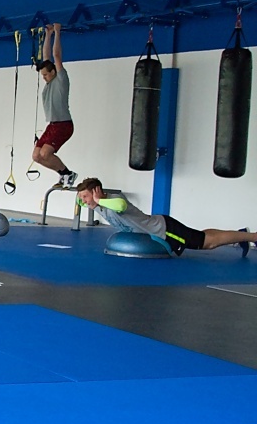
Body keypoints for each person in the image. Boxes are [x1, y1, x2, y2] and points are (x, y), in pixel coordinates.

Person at [76, 177, 255, 257]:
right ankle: (242, 235)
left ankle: (252, 236)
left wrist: (98, 199)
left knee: (207, 243)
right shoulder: (97, 205)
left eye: (86, 196)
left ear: (97, 192)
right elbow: (83, 202)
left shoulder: (114, 199)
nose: (84, 201)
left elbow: (121, 206)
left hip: (165, 230)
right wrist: (85, 200)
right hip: (160, 227)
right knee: (203, 236)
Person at [33, 23, 77, 187]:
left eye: (45, 75)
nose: (44, 77)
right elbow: (46, 57)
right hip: (52, 125)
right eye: (42, 75)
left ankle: (68, 174)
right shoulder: (49, 82)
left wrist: (57, 32)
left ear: (53, 72)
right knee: (37, 156)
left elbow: (56, 56)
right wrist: (48, 34)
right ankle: (64, 174)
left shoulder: (61, 79)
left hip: (63, 125)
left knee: (45, 153)